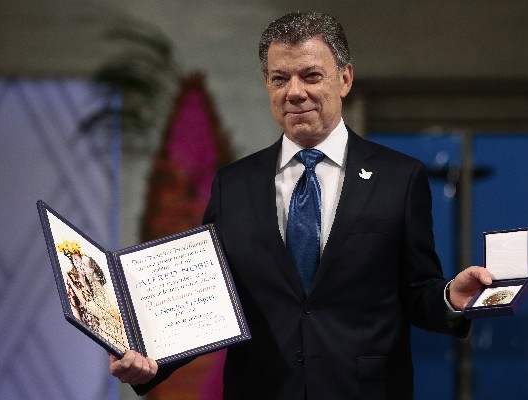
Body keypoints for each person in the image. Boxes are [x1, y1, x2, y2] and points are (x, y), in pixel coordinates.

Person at [110, 11, 492, 399]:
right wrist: (152, 362)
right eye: (280, 79)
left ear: (344, 79)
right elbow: (209, 301)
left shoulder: (400, 179)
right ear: (267, 85)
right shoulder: (233, 185)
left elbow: (416, 290)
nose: (294, 92)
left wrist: (450, 299)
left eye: (311, 75)